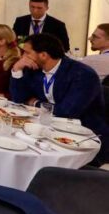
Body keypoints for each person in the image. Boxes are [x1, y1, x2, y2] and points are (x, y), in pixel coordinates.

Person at [10, 34, 108, 164]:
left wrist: (35, 102)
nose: (23, 57)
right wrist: (17, 69)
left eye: (27, 53)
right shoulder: (34, 68)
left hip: (81, 137)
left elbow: (67, 111)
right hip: (47, 128)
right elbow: (18, 98)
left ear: (43, 55)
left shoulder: (83, 74)